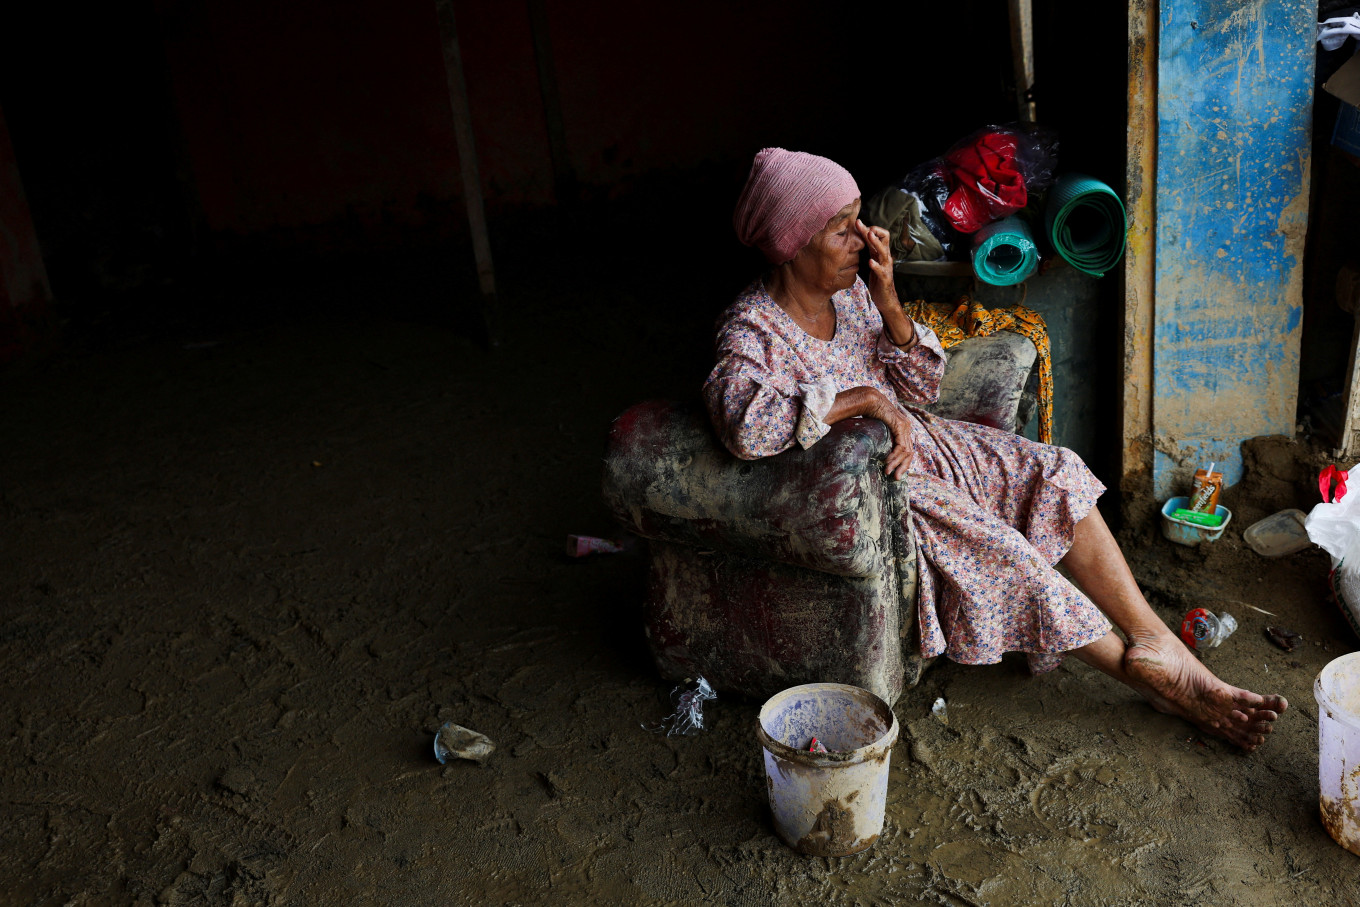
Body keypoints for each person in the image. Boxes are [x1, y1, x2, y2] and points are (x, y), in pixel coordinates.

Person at [703, 148, 1287, 752]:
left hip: (927, 442)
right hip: (876, 487)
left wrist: (890, 305)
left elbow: (921, 387)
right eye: (841, 227)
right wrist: (864, 402)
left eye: (859, 217)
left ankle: (1152, 636)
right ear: (791, 245)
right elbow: (746, 424)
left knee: (1052, 470)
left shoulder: (851, 296)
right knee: (1003, 552)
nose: (865, 237)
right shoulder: (751, 331)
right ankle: (1155, 678)